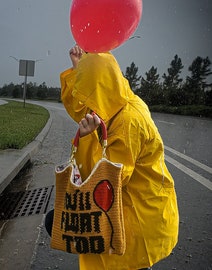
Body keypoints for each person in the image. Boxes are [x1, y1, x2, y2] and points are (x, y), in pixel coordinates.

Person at [47, 45, 179, 270]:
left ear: (99, 88)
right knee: (56, 221)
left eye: (88, 89)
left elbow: (107, 182)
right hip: (130, 209)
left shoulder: (128, 122)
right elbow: (81, 107)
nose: (85, 102)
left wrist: (87, 138)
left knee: (124, 261)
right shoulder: (115, 99)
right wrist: (80, 69)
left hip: (136, 221)